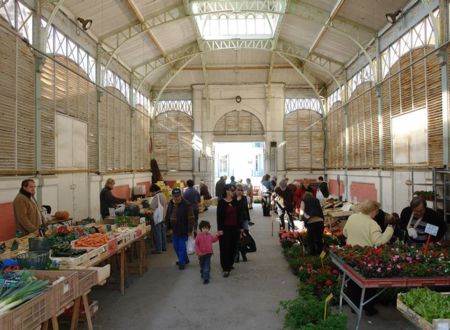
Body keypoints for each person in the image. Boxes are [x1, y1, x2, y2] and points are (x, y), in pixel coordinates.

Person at [343, 200, 395, 316]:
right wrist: (390, 228)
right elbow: (379, 241)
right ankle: (368, 307)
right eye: (376, 211)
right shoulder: (372, 224)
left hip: (351, 254)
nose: (376, 214)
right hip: (365, 257)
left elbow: (345, 233)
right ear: (373, 211)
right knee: (369, 284)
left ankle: (353, 305)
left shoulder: (352, 217)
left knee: (352, 280)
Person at [165, 188, 195, 270]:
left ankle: (182, 263)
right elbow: (168, 215)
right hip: (174, 230)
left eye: (178, 196)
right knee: (175, 246)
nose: (177, 198)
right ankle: (185, 259)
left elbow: (191, 218)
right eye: (175, 196)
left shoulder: (187, 204)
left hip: (183, 229)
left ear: (181, 195)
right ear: (172, 196)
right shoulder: (171, 203)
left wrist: (189, 230)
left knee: (181, 247)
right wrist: (168, 227)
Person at [217, 184, 243, 277]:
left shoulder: (235, 202)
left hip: (234, 228)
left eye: (234, 190)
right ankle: (225, 268)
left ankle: (230, 264)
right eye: (232, 191)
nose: (234, 192)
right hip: (225, 229)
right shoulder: (221, 202)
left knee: (233, 247)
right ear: (227, 191)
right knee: (225, 248)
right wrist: (219, 229)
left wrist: (241, 228)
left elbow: (239, 215)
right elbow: (219, 217)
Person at [235, 184, 252, 262]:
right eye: (238, 190)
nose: (240, 191)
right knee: (237, 238)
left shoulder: (245, 198)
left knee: (245, 236)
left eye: (241, 190)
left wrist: (248, 219)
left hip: (244, 219)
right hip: (235, 220)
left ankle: (243, 253)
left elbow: (246, 209)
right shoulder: (233, 199)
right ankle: (237, 254)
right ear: (235, 190)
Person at [149, 184, 167, 254]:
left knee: (157, 233)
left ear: (154, 191)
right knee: (163, 232)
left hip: (157, 217)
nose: (151, 193)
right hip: (163, 216)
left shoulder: (156, 197)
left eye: (151, 192)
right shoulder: (163, 195)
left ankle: (158, 249)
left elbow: (152, 207)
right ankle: (163, 247)